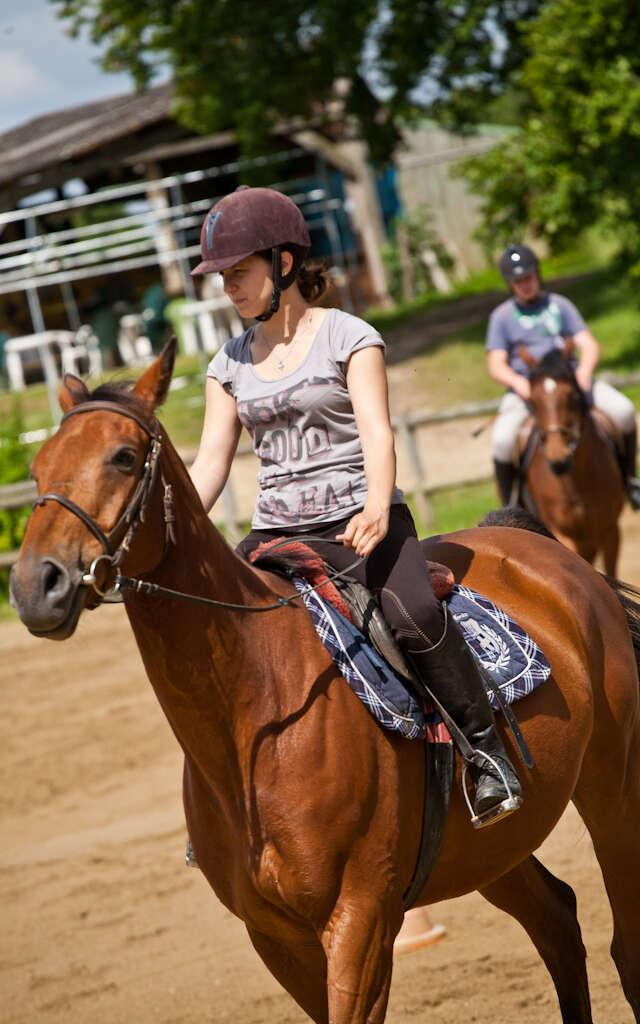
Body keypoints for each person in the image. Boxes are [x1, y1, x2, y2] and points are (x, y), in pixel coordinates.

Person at [189, 185, 522, 828]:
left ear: (283, 264)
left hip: (361, 524)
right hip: (277, 535)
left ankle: (487, 754)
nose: (227, 288)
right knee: (221, 634)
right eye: (221, 278)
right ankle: (227, 801)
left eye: (237, 273)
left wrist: (375, 506)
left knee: (414, 613)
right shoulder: (227, 364)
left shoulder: (349, 336)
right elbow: (209, 464)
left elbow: (377, 431)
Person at [487, 243, 640, 508]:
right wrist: (519, 383)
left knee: (624, 411)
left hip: (570, 384)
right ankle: (509, 507)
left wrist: (584, 371)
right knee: (502, 439)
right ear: (510, 284)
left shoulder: (560, 305)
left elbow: (588, 344)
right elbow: (496, 363)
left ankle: (630, 481)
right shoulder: (501, 317)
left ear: (537, 274)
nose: (525, 284)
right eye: (518, 280)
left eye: (529, 277)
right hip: (528, 391)